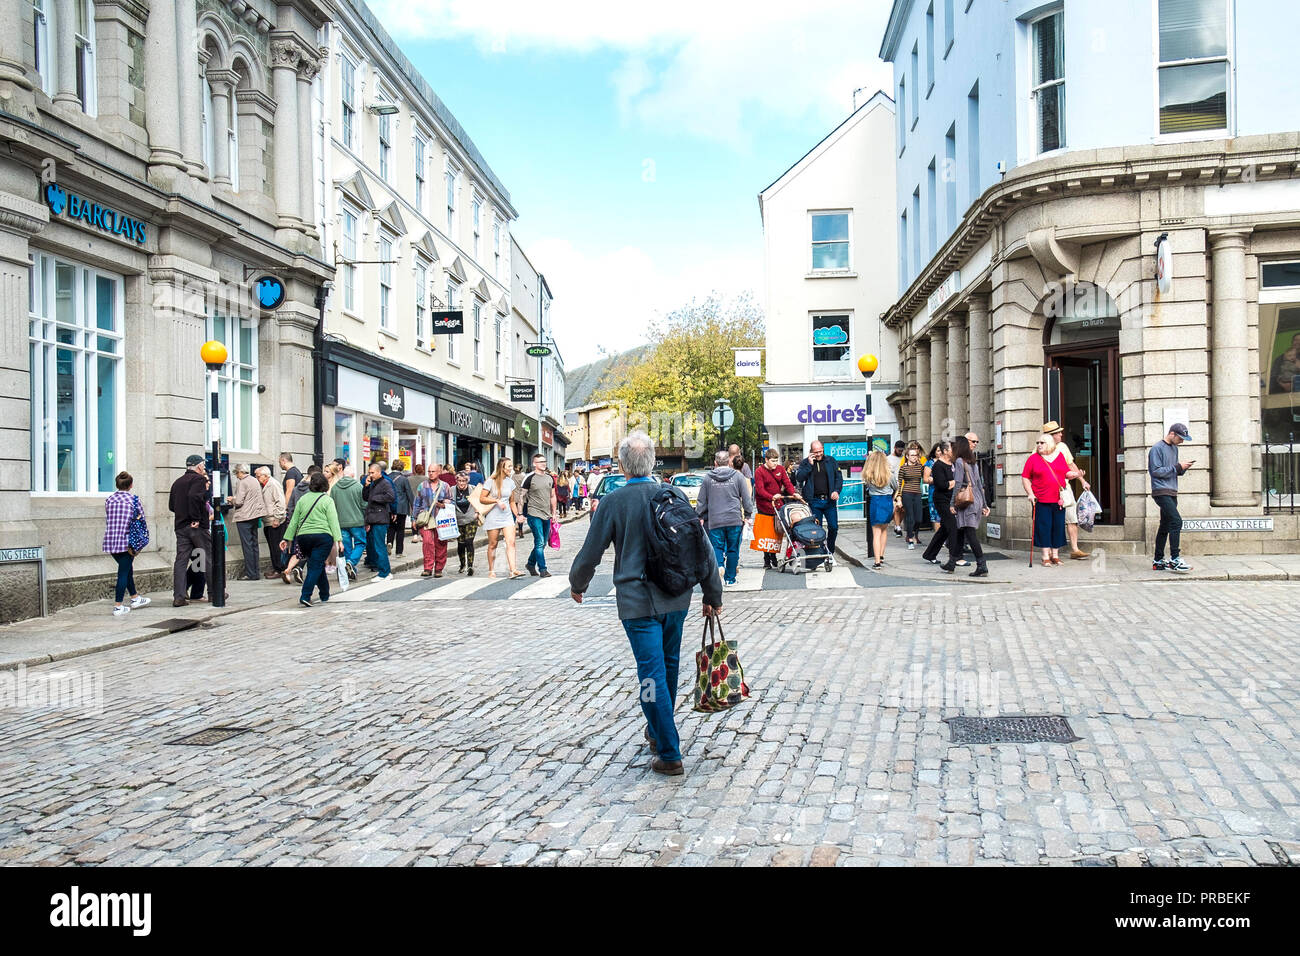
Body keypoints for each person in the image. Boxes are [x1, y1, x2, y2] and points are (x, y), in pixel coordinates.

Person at [569, 431, 723, 776]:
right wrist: (712, 594)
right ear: (652, 462)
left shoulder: (613, 502)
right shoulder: (673, 495)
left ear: (623, 465)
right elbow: (703, 548)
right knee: (666, 668)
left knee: (650, 676)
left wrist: (577, 583)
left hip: (637, 602)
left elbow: (591, 551)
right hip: (676, 597)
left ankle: (669, 751)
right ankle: (657, 731)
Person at [280, 472, 343, 607]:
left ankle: (325, 593)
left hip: (304, 537)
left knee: (317, 564)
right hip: (322, 537)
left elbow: (294, 521)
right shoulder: (327, 500)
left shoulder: (302, 499)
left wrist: (287, 538)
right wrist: (339, 540)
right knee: (315, 566)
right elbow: (333, 521)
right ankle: (305, 595)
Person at [696, 449, 755, 587]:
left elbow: (702, 501)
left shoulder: (708, 478)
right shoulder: (738, 477)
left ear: (715, 463)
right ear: (729, 461)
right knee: (733, 549)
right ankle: (730, 578)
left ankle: (719, 567)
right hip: (734, 519)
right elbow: (746, 499)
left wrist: (701, 515)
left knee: (717, 547)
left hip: (715, 520)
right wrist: (748, 514)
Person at [1022, 432, 1081, 566]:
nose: (1039, 445)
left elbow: (1066, 473)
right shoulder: (1033, 459)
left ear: (1049, 444)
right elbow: (1025, 477)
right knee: (1044, 527)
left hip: (1058, 499)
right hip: (1041, 499)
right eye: (1037, 443)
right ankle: (1045, 556)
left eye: (1042, 443)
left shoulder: (1059, 456)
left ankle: (1055, 555)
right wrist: (1030, 493)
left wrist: (1076, 474)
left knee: (1058, 526)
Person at [102, 471, 151, 617]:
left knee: (127, 569)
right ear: (131, 485)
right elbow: (141, 520)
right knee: (123, 573)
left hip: (111, 541)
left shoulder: (109, 500)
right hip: (127, 542)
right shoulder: (134, 500)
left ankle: (135, 598)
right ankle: (118, 606)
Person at [1042, 421, 1092, 560]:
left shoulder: (1063, 447)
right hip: (1048, 491)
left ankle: (1075, 549)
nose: (1061, 434)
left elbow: (1071, 465)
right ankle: (1050, 552)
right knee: (1050, 521)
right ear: (1051, 436)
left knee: (1072, 518)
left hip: (1064, 488)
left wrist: (1082, 480)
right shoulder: (1040, 448)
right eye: (1058, 433)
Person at [1149, 423, 1194, 572]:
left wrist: (1183, 468)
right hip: (1161, 491)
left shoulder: (1175, 449)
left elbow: (1174, 471)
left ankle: (1158, 560)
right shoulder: (1156, 449)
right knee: (1176, 521)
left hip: (1172, 490)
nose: (1182, 441)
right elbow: (1156, 471)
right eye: (1180, 438)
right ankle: (1175, 559)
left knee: (1165, 525)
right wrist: (1177, 467)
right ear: (1172, 434)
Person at [169, 454, 213, 607]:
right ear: (199, 466)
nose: (204, 469)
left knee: (181, 561)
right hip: (196, 527)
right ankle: (214, 593)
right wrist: (195, 518)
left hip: (180, 527)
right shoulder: (199, 480)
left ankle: (179, 596)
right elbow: (194, 496)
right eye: (203, 466)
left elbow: (171, 506)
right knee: (208, 557)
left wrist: (183, 514)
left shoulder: (177, 482)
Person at [945, 435, 990, 577]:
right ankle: (952, 562)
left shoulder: (959, 461)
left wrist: (952, 503)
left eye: (953, 446)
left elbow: (958, 483)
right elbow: (979, 484)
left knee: (970, 534)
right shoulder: (972, 462)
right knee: (960, 532)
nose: (951, 448)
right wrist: (984, 504)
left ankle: (982, 565)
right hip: (975, 499)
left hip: (966, 501)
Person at [793, 441, 842, 563]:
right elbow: (799, 478)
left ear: (823, 450)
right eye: (816, 452)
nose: (819, 454)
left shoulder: (830, 461)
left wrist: (836, 491)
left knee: (834, 527)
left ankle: (830, 551)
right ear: (811, 451)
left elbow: (838, 477)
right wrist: (810, 465)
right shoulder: (806, 462)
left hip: (829, 501)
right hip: (814, 500)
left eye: (820, 451)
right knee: (817, 530)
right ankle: (820, 553)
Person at [754, 448, 799, 570]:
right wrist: (771, 497)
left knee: (775, 531)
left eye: (776, 461)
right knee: (765, 533)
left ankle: (773, 555)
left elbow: (787, 483)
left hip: (777, 505)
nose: (775, 463)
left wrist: (794, 493)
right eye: (772, 461)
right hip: (764, 505)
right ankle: (766, 559)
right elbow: (760, 490)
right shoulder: (759, 471)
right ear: (766, 460)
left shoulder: (780, 469)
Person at [280, 463, 323, 584]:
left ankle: (289, 570)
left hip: (296, 524)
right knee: (307, 551)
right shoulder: (314, 491)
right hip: (311, 525)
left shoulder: (296, 488)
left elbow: (290, 508)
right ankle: (297, 569)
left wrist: (289, 529)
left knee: (298, 550)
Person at [481, 459, 523, 578]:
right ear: (502, 467)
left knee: (511, 543)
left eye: (511, 465)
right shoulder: (490, 481)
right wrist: (496, 501)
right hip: (493, 516)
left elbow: (511, 502)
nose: (511, 468)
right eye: (509, 466)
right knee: (493, 544)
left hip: (507, 517)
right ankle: (491, 570)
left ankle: (513, 570)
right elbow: (482, 498)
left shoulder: (510, 482)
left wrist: (518, 515)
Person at [521, 454, 560, 578]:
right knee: (539, 542)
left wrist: (554, 513)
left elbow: (552, 496)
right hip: (533, 513)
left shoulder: (549, 478)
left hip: (546, 514)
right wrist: (520, 514)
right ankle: (543, 569)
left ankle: (531, 564)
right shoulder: (529, 478)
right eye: (540, 461)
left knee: (542, 543)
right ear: (534, 463)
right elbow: (521, 496)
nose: (543, 463)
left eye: (544, 461)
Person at [413, 465, 454, 577]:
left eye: (433, 471)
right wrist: (414, 518)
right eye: (429, 471)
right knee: (427, 542)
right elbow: (417, 503)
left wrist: (442, 504)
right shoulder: (422, 486)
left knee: (440, 543)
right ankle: (428, 567)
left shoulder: (445, 486)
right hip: (426, 518)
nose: (431, 473)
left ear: (439, 472)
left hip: (441, 519)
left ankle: (439, 569)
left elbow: (451, 502)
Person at [921, 441, 956, 565]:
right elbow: (941, 485)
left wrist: (952, 483)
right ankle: (955, 558)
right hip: (941, 500)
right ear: (945, 451)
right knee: (952, 526)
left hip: (949, 498)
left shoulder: (952, 464)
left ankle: (929, 554)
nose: (954, 451)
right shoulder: (937, 465)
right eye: (952, 449)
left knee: (945, 528)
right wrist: (953, 483)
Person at [230, 463, 267, 581]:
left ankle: (250, 573)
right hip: (255, 516)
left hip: (245, 517)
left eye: (236, 474)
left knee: (247, 546)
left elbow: (239, 501)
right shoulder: (254, 480)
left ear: (240, 472)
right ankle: (256, 572)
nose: (236, 476)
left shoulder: (242, 482)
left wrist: (232, 499)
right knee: (254, 544)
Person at [863, 449, 899, 570]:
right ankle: (882, 556)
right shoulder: (889, 474)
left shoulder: (869, 475)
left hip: (875, 502)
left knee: (876, 533)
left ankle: (877, 560)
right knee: (884, 530)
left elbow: (867, 487)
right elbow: (896, 486)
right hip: (887, 501)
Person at [330, 464, 366, 577]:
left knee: (346, 547)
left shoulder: (335, 488)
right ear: (353, 475)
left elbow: (332, 506)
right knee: (360, 543)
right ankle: (351, 562)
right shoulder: (358, 487)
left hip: (341, 522)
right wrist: (367, 520)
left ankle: (350, 569)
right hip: (357, 521)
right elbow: (364, 505)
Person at [361, 461, 394, 579]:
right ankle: (384, 571)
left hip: (380, 518)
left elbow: (391, 496)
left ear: (379, 472)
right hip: (372, 517)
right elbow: (365, 498)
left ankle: (385, 572)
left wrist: (375, 498)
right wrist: (366, 486)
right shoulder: (372, 483)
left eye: (372, 473)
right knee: (376, 546)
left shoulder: (385, 483)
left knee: (379, 546)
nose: (370, 475)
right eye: (369, 472)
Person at [255, 466, 287, 575]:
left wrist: (277, 518)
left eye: (258, 476)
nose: (257, 478)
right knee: (272, 546)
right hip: (268, 520)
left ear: (266, 476)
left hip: (275, 520)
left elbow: (281, 502)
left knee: (276, 546)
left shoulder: (273, 484)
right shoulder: (264, 485)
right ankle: (276, 567)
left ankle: (280, 569)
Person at [898, 442, 928, 550]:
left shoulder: (920, 467)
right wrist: (899, 497)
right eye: (912, 455)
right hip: (907, 493)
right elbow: (899, 483)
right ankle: (910, 538)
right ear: (907, 456)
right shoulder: (903, 468)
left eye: (916, 455)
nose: (914, 457)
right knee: (910, 517)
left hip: (918, 493)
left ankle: (913, 533)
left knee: (919, 518)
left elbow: (925, 476)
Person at [453, 471, 480, 575]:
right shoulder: (452, 490)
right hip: (458, 520)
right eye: (459, 481)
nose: (461, 483)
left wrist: (477, 512)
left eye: (464, 481)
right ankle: (462, 564)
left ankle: (470, 566)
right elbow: (449, 501)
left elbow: (478, 501)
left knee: (469, 541)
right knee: (461, 544)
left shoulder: (473, 489)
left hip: (471, 519)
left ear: (467, 481)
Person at [388, 460, 414, 556]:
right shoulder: (404, 479)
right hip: (402, 507)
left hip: (390, 507)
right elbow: (409, 493)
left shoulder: (387, 477)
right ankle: (399, 552)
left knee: (390, 527)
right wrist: (414, 507)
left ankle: (389, 542)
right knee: (400, 530)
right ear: (402, 467)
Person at [887, 440, 907, 537]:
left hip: (904, 486)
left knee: (903, 509)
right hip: (894, 487)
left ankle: (897, 525)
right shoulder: (888, 459)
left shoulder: (904, 458)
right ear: (895, 448)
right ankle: (898, 526)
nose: (900, 452)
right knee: (896, 507)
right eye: (899, 450)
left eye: (902, 450)